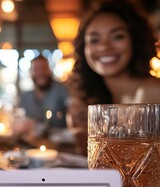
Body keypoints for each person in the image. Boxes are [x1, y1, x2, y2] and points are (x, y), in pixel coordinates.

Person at [67, 0, 160, 154]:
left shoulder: (153, 92)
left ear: (135, 41)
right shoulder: (100, 101)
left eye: (117, 36)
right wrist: (79, 131)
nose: (104, 46)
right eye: (94, 40)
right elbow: (98, 165)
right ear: (84, 48)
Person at [19, 56, 68, 129]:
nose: (40, 72)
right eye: (36, 69)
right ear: (31, 73)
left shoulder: (62, 91)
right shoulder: (25, 97)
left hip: (60, 139)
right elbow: (20, 122)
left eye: (43, 68)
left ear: (50, 70)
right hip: (32, 139)